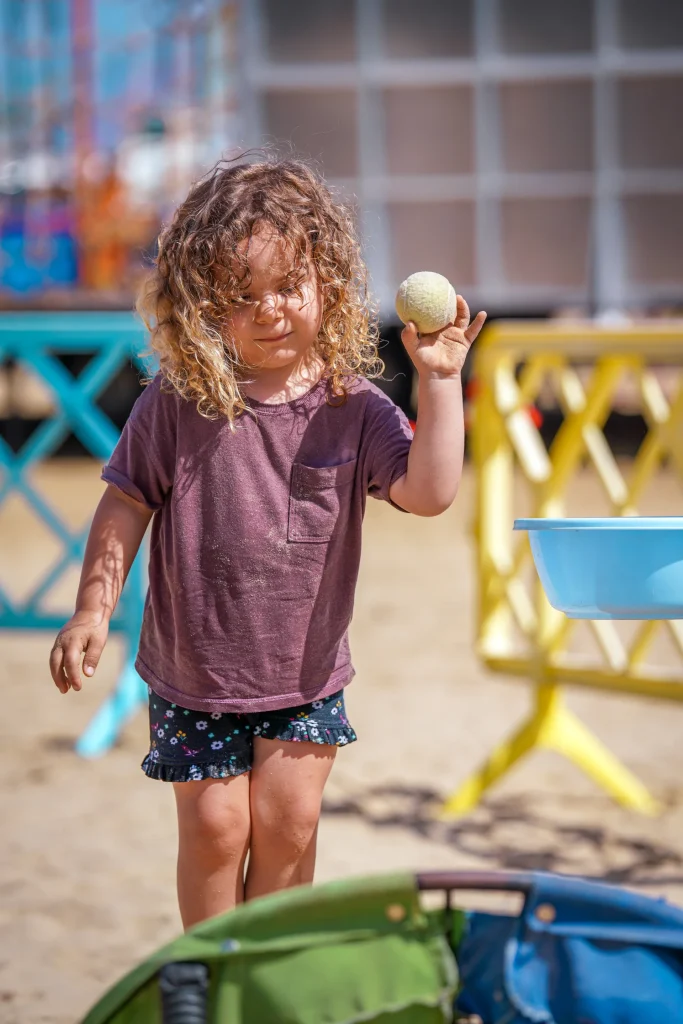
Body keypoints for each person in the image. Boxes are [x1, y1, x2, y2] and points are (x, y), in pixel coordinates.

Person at [49, 156, 486, 929]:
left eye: (287, 286)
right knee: (217, 831)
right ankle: (211, 975)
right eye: (240, 296)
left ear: (329, 284)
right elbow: (124, 503)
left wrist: (441, 381)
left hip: (305, 673)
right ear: (202, 305)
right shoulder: (176, 402)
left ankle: (264, 977)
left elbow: (429, 492)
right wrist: (92, 608)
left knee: (289, 824)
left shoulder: (355, 407)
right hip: (194, 675)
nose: (269, 310)